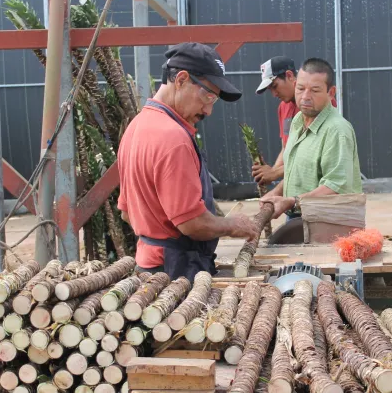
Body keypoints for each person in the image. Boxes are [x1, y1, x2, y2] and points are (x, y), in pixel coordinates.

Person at [117, 42, 259, 281]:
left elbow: (126, 212)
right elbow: (193, 224)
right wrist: (232, 225)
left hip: (148, 267)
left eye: (214, 100)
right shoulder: (173, 138)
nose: (208, 110)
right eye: (208, 95)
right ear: (181, 79)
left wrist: (155, 229)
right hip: (176, 272)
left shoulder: (136, 127)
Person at [262, 58, 362, 234]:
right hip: (300, 218)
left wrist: (291, 201)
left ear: (331, 93)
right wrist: (275, 193)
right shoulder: (297, 121)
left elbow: (336, 187)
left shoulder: (337, 130)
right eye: (300, 89)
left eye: (315, 90)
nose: (305, 97)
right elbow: (297, 172)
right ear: (295, 85)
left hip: (330, 226)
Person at [251, 56, 299, 186]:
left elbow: (313, 157)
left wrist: (275, 172)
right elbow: (286, 148)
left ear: (289, 76)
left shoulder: (315, 104)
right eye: (270, 90)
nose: (274, 94)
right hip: (294, 183)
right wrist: (270, 173)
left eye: (275, 86)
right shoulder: (283, 107)